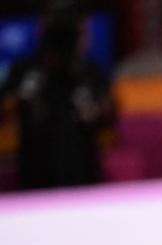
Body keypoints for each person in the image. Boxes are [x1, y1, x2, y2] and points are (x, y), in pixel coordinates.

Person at [0, 1, 115, 190]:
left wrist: (86, 97)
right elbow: (4, 111)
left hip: (84, 178)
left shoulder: (89, 71)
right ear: (41, 28)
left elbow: (109, 121)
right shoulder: (25, 70)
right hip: (35, 180)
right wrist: (26, 91)